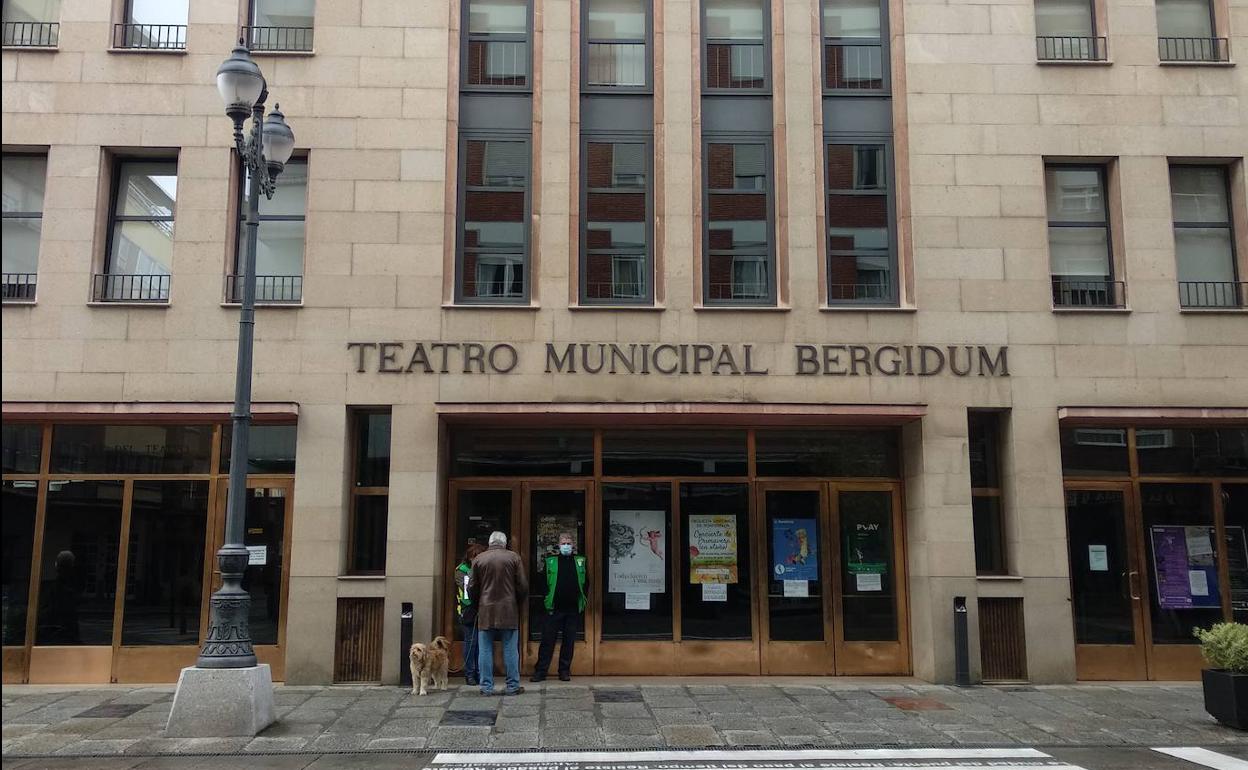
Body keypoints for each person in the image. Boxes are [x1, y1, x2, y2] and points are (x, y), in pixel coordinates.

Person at [468, 531, 527, 696]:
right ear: (505, 543)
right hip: (508, 609)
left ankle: (486, 687)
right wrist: (517, 602)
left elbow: (472, 587)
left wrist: (477, 603)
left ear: (490, 542)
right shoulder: (514, 558)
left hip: (486, 609)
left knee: (485, 650)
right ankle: (512, 685)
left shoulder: (479, 559)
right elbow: (522, 585)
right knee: (510, 649)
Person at [531, 532, 587, 682]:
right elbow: (542, 581)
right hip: (554, 608)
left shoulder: (580, 561)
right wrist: (546, 597)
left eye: (569, 543)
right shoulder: (551, 561)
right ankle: (540, 671)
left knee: (568, 642)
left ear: (573, 545)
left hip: (572, 608)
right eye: (563, 543)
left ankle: (564, 671)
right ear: (559, 545)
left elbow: (585, 582)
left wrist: (582, 599)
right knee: (547, 641)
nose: (566, 545)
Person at [454, 543, 485, 686]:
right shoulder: (461, 570)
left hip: (483, 609)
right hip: (468, 610)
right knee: (471, 642)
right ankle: (470, 673)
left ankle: (480, 672)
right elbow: (467, 591)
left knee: (481, 644)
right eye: (475, 557)